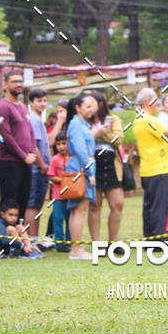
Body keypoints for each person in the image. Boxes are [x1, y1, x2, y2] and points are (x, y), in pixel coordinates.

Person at [133, 87, 168, 241]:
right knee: (159, 207)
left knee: (150, 206)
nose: (158, 103)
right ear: (148, 101)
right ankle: (159, 239)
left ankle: (150, 238)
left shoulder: (141, 118)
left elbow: (167, 130)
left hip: (149, 169)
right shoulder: (148, 120)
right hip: (157, 169)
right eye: (156, 100)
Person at [0, 71, 36, 221]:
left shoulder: (23, 107)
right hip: (9, 162)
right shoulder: (2, 107)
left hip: (25, 162)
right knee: (9, 204)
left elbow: (30, 132)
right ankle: (4, 234)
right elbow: (6, 136)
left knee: (22, 203)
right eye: (14, 81)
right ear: (6, 84)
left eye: (20, 81)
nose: (19, 84)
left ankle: (19, 234)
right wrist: (24, 156)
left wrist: (31, 152)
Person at [87, 90, 125, 244]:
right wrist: (97, 132)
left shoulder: (112, 119)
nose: (89, 106)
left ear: (100, 104)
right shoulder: (84, 120)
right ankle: (96, 243)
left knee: (118, 203)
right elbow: (82, 139)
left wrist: (101, 133)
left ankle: (112, 242)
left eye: (92, 103)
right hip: (92, 161)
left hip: (110, 162)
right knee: (95, 205)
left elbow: (118, 139)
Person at [66, 94, 98, 260]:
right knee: (80, 209)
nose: (91, 109)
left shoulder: (82, 124)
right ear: (78, 107)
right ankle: (76, 249)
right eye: (87, 106)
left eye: (92, 106)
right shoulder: (76, 124)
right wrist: (89, 172)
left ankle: (76, 246)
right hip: (81, 168)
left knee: (77, 209)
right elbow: (80, 149)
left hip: (82, 166)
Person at [25, 87, 51, 241]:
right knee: (33, 206)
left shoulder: (38, 119)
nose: (42, 104)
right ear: (31, 102)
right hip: (37, 170)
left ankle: (32, 239)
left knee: (36, 205)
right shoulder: (34, 119)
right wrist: (42, 165)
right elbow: (33, 145)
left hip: (38, 169)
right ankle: (32, 240)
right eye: (39, 101)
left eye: (45, 101)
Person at [47, 131, 71, 252]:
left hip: (72, 194)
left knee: (70, 219)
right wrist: (64, 180)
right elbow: (51, 176)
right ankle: (59, 243)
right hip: (58, 195)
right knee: (58, 218)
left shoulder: (73, 158)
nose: (61, 146)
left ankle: (70, 241)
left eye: (63, 143)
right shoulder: (55, 159)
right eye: (58, 144)